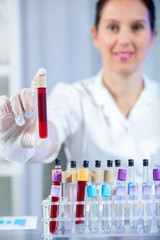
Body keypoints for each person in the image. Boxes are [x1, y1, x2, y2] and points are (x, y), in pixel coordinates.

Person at [0, 0, 159, 183]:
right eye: (113, 27)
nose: (124, 40)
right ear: (95, 35)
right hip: (89, 213)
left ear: (152, 37)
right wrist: (28, 141)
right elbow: (45, 141)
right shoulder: (72, 98)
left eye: (137, 27)